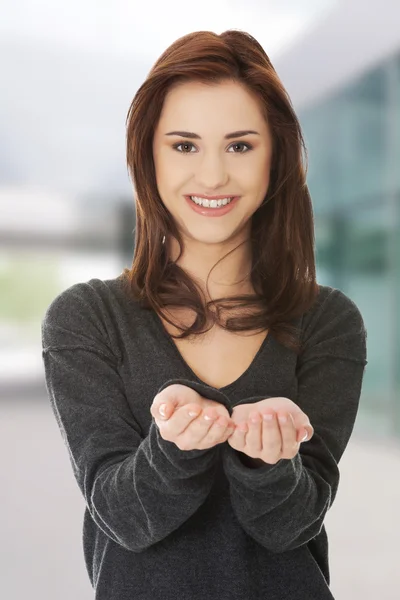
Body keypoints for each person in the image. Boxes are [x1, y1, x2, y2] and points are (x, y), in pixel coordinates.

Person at [41, 29, 368, 600]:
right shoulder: (86, 318)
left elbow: (294, 524)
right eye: (184, 145)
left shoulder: (328, 320)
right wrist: (175, 445)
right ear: (149, 156)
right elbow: (124, 518)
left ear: (276, 155)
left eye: (240, 145)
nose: (213, 176)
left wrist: (268, 460)